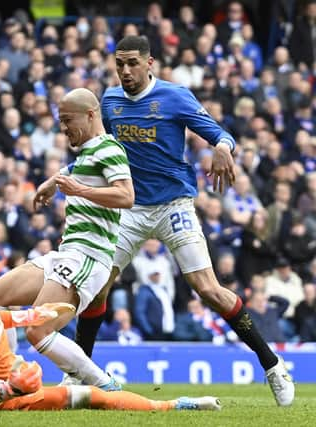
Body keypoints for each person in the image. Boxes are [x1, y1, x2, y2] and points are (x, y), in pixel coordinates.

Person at [71, 35, 294, 406]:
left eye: (132, 63)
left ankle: (272, 365)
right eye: (119, 64)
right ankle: (79, 371)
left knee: (208, 289)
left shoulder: (175, 97)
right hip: (130, 208)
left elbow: (220, 134)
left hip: (174, 204)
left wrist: (222, 148)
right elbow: (99, 150)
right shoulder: (109, 101)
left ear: (149, 63)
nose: (125, 71)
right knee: (96, 285)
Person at [0, 237, 220, 411]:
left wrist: (26, 317)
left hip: (8, 372)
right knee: (90, 397)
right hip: (9, 398)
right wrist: (8, 390)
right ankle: (171, 406)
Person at [0, 88, 134, 390]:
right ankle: (12, 376)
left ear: (91, 115)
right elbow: (73, 171)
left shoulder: (109, 149)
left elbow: (126, 195)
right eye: (60, 122)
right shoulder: (89, 152)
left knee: (38, 330)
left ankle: (103, 383)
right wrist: (50, 184)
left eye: (67, 120)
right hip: (67, 254)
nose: (63, 129)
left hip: (90, 257)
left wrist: (79, 191)